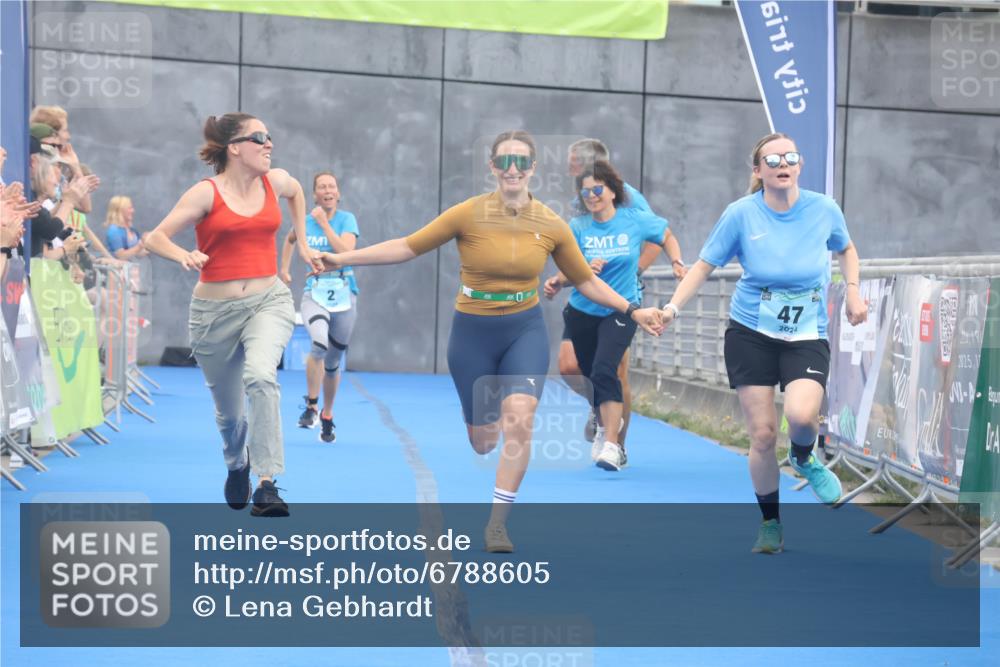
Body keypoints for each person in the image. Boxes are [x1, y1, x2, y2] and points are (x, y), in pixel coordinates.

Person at [316, 130, 664, 552]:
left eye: (522, 161)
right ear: (493, 167)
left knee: (520, 419)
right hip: (473, 333)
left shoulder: (551, 223)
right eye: (505, 161)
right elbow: (407, 247)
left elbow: (586, 280)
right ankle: (488, 422)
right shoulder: (468, 213)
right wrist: (341, 258)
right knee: (483, 441)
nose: (513, 169)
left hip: (524, 330)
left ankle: (498, 523)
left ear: (533, 168)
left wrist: (632, 309)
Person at [660, 132, 868, 554]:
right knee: (762, 434)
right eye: (772, 160)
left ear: (800, 165)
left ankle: (804, 457)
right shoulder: (741, 214)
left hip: (805, 332)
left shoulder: (823, 209)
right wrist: (672, 308)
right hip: (751, 332)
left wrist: (853, 291)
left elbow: (846, 249)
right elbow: (703, 266)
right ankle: (770, 522)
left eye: (790, 156)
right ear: (758, 171)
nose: (782, 164)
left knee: (802, 416)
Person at [144, 112, 319, 518]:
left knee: (261, 376)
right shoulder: (205, 194)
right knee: (229, 415)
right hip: (214, 314)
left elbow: (297, 193)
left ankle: (267, 483)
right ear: (234, 148)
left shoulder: (275, 181)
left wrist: (304, 245)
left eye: (269, 136)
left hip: (268, 300)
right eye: (259, 137)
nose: (269, 143)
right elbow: (155, 237)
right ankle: (236, 463)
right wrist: (183, 254)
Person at [548, 138, 687, 450]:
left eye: (573, 163)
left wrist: (636, 269)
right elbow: (574, 251)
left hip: (622, 299)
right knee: (570, 366)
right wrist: (564, 277)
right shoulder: (581, 204)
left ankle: (616, 444)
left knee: (614, 371)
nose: (568, 169)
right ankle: (599, 406)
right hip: (587, 299)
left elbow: (657, 236)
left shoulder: (629, 199)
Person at [279, 171, 360, 443]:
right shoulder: (304, 222)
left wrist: (325, 225)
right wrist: (284, 269)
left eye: (331, 186)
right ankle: (312, 405)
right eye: (322, 187)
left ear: (338, 193)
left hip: (344, 293)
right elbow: (290, 240)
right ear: (314, 194)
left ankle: (327, 413)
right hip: (314, 291)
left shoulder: (347, 220)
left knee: (333, 362)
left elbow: (346, 253)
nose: (327, 190)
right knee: (318, 345)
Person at [105, 195, 149, 261]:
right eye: (129, 208)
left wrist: (147, 242)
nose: (133, 211)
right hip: (119, 267)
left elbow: (138, 254)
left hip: (134, 266)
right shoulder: (114, 231)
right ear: (120, 210)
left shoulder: (132, 230)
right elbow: (121, 256)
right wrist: (140, 246)